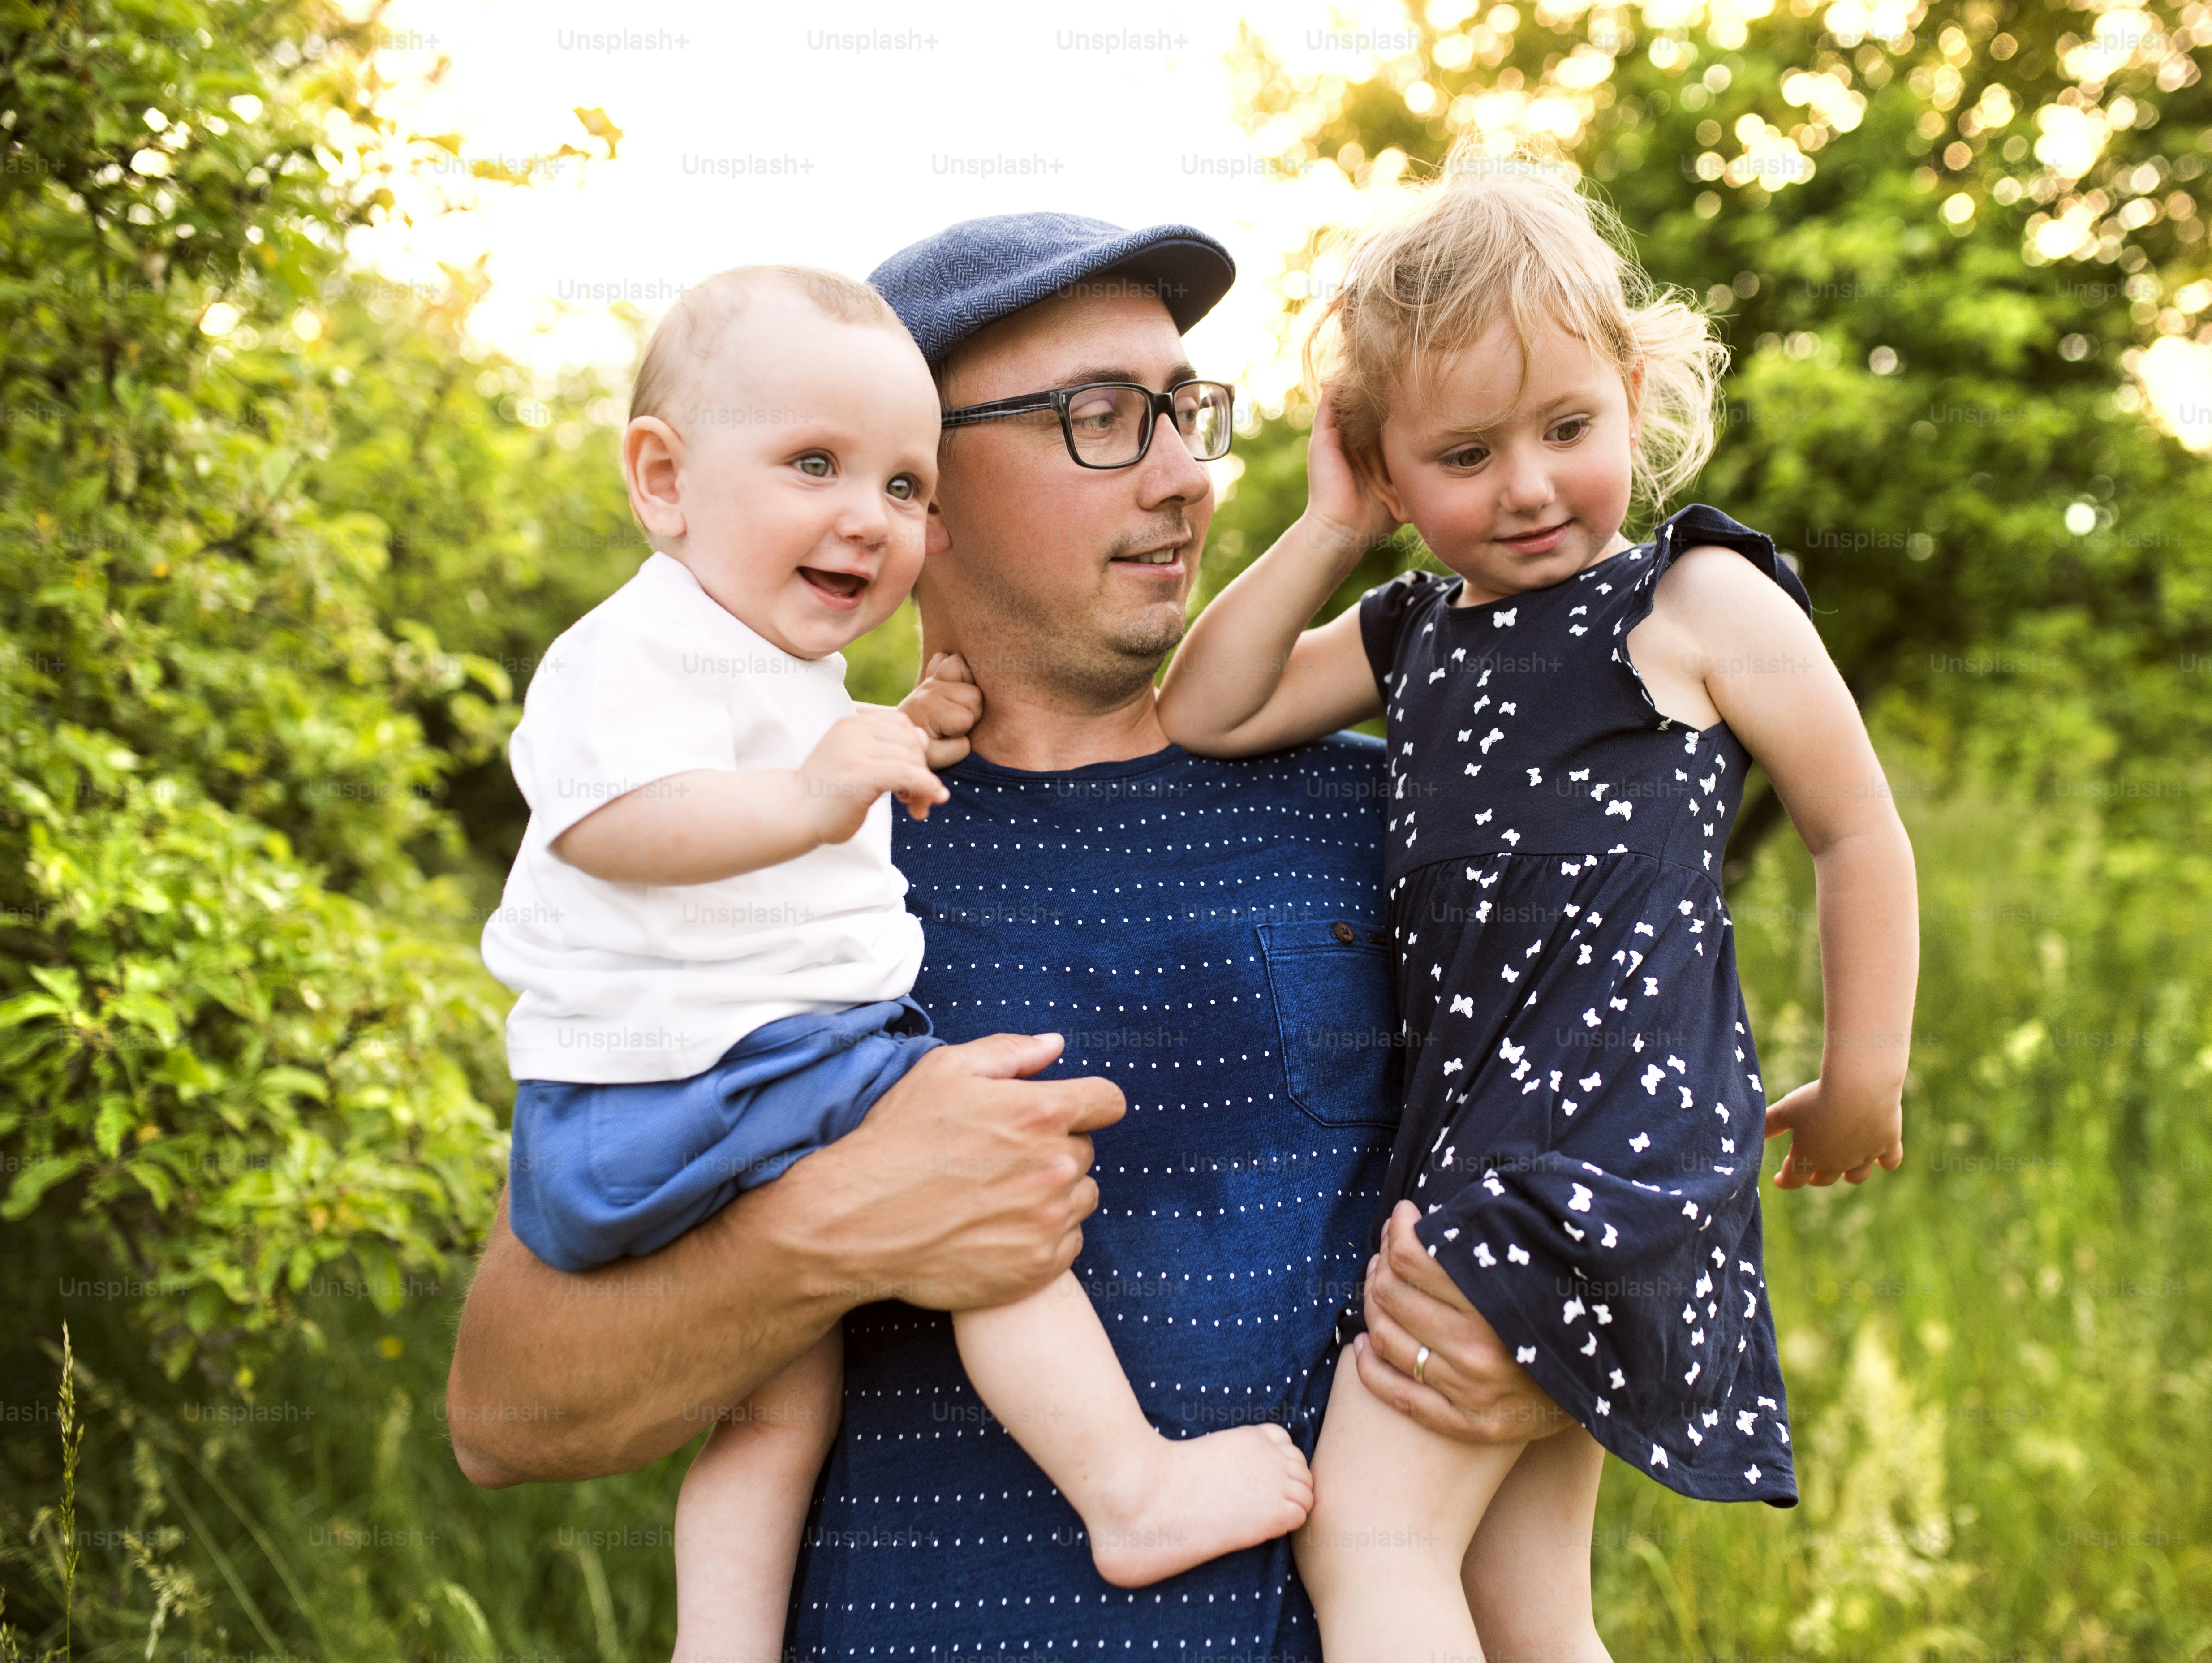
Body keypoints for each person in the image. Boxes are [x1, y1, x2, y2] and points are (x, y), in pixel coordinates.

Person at [448, 215, 1569, 1661]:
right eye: (1099, 418)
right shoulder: (768, 849)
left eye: (1183, 410)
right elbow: (509, 1414)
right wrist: (836, 1226)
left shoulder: (1397, 814)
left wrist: (1549, 1349)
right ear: (926, 495)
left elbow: (1638, 1157)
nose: (1185, 475)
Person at [1157, 161, 1922, 1659]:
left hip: (1601, 1163)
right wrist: (1329, 530)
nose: (1524, 485)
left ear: (1630, 397)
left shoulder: (1693, 602)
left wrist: (1866, 1074)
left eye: (1567, 429)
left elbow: (1857, 829)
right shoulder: (1414, 634)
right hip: (1483, 1151)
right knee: (1521, 1602)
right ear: (1386, 469)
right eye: (1462, 453)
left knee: (1369, 1539)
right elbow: (1207, 710)